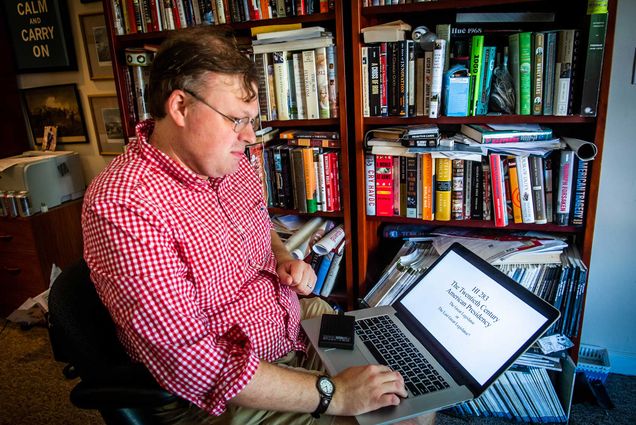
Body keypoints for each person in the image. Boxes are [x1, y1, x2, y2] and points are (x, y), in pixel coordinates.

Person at [82, 26, 434, 425]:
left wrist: (283, 257)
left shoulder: (229, 164)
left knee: (409, 393)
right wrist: (334, 394)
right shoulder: (124, 205)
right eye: (236, 120)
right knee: (399, 420)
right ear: (180, 107)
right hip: (219, 396)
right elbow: (191, 362)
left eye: (251, 121)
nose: (249, 137)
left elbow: (261, 228)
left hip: (292, 321)